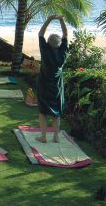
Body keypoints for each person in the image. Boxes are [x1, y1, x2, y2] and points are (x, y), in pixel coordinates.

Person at [36, 15, 68, 143]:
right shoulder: (63, 52)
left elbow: (40, 34)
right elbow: (65, 34)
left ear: (48, 43)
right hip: (57, 86)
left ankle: (43, 136)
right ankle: (56, 137)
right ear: (59, 45)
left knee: (42, 111)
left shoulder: (45, 51)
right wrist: (62, 20)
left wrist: (48, 20)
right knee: (56, 112)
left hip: (44, 84)